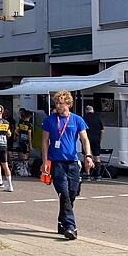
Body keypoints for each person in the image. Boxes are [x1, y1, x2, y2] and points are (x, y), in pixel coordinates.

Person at [41, 90, 94, 240]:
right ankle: (71, 227)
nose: (58, 106)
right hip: (56, 163)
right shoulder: (50, 120)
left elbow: (84, 139)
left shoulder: (77, 120)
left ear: (68, 104)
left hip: (72, 162)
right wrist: (45, 161)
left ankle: (62, 222)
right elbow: (45, 141)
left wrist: (88, 156)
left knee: (71, 194)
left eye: (61, 103)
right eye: (56, 103)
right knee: (63, 193)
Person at [0, 105, 14, 192]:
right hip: (4, 145)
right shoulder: (6, 122)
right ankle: (10, 185)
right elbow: (9, 134)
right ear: (2, 112)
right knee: (5, 165)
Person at [83, 105, 106, 180]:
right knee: (97, 157)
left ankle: (88, 175)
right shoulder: (98, 119)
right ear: (92, 110)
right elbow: (102, 131)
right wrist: (100, 139)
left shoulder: (83, 119)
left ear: (86, 111)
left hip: (86, 140)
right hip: (96, 140)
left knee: (86, 156)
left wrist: (81, 140)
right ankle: (98, 175)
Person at [15, 108, 33, 176]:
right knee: (26, 154)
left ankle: (22, 168)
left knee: (22, 153)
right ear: (29, 116)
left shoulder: (20, 122)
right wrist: (30, 144)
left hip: (20, 140)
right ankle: (25, 168)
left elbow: (16, 131)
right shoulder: (29, 125)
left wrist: (19, 135)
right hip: (26, 141)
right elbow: (29, 135)